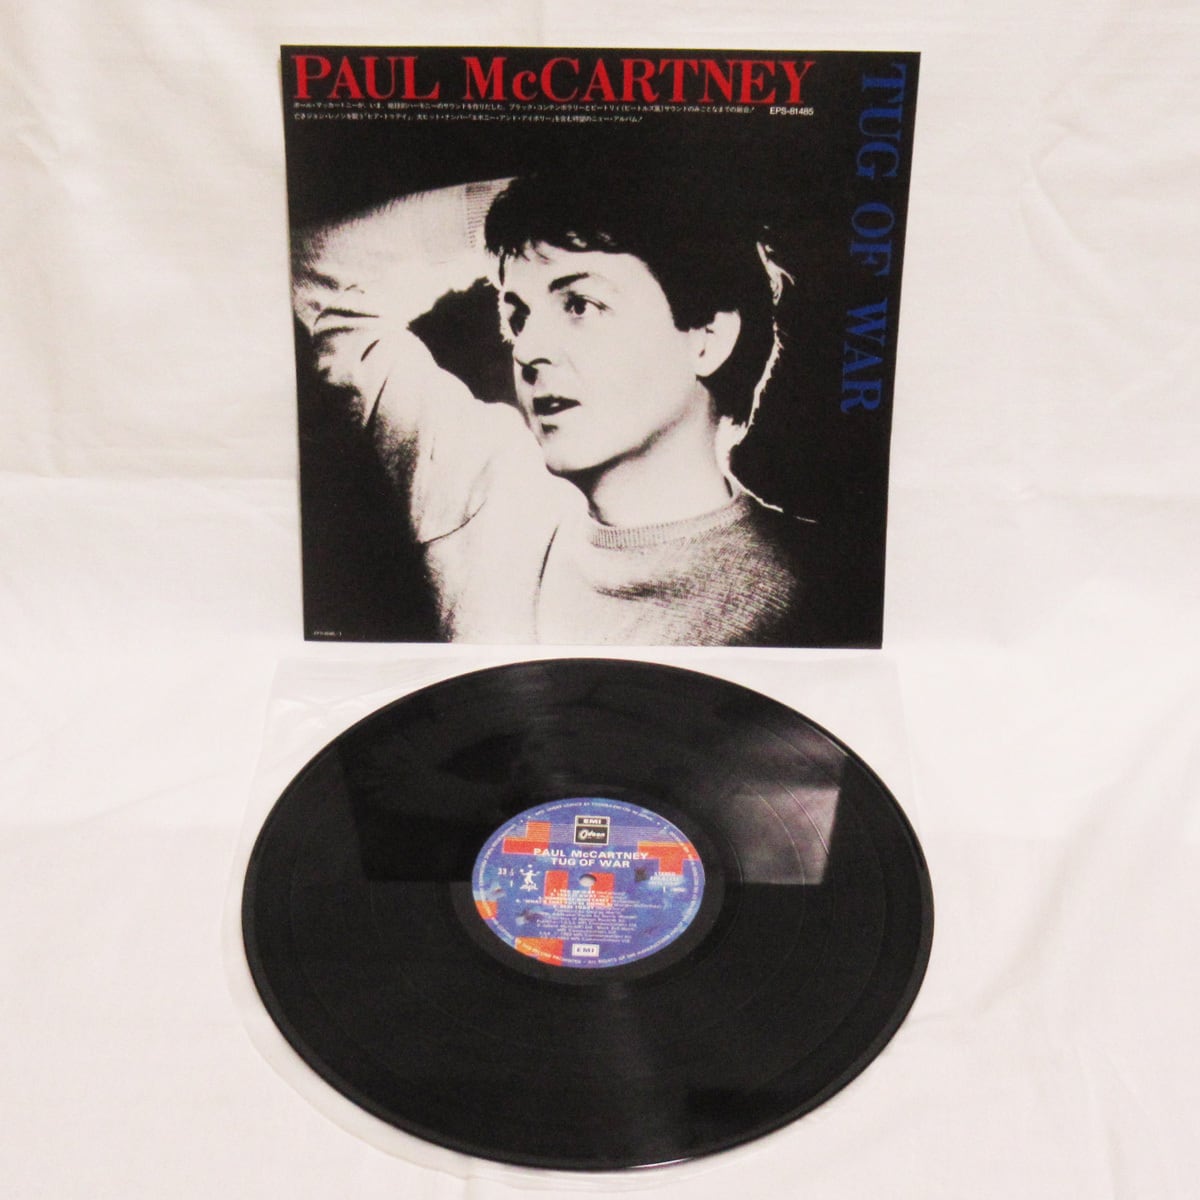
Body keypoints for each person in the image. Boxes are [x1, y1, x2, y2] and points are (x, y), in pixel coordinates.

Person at [291, 159, 825, 645]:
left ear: (707, 339)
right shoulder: (488, 490)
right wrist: (540, 199)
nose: (527, 350)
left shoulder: (813, 588)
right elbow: (316, 275)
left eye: (580, 304)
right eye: (518, 315)